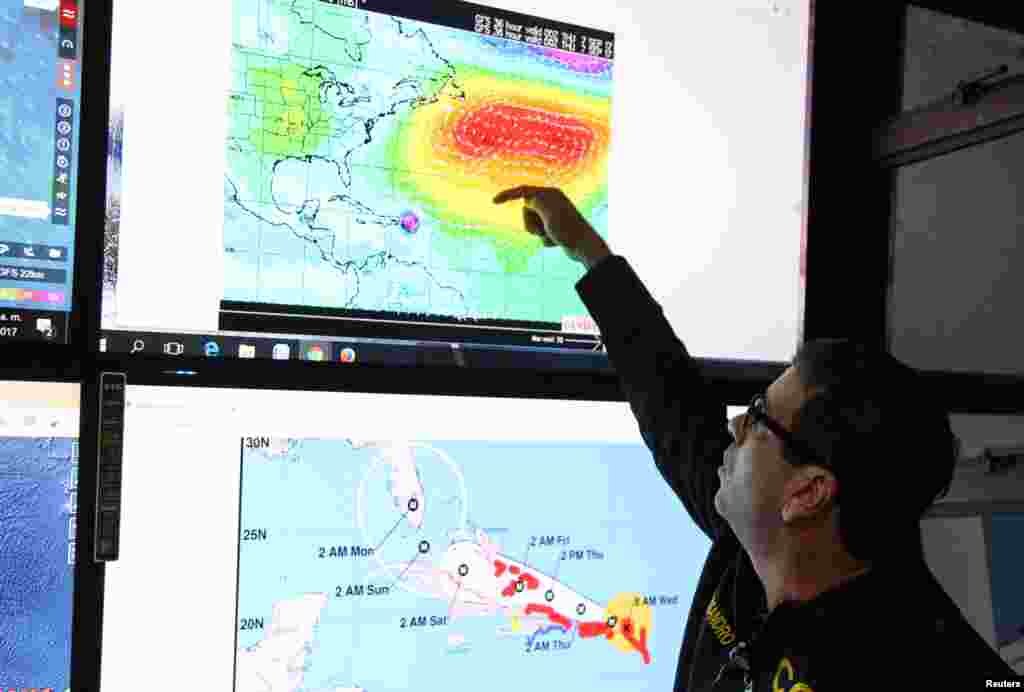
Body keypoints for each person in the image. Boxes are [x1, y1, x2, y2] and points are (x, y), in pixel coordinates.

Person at [493, 186, 1019, 690]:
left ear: (808, 491)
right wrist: (589, 251)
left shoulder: (921, 660)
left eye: (758, 417)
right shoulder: (752, 550)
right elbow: (671, 401)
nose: (733, 428)